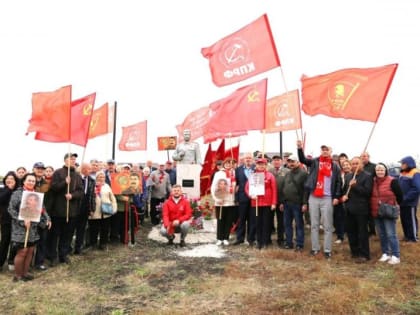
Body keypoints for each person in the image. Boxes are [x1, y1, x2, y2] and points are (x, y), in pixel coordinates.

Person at [297, 141, 342, 259]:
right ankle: (315, 248)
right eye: (323, 149)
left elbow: (338, 182)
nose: (325, 151)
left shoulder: (335, 166)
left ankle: (327, 250)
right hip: (314, 197)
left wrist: (336, 196)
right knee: (314, 225)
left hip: (327, 198)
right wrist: (299, 148)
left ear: (331, 151)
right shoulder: (315, 162)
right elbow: (302, 160)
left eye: (327, 149)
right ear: (320, 151)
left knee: (327, 225)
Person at [8, 173, 51, 281]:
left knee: (30, 250)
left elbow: (42, 208)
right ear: (24, 181)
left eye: (33, 181)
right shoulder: (17, 193)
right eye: (29, 180)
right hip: (20, 227)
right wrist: (22, 220)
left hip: (33, 227)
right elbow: (11, 210)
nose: (31, 182)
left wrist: (48, 219)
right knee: (22, 251)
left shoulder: (37, 194)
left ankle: (25, 273)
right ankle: (18, 275)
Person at [47, 153, 84, 265]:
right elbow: (53, 187)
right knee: (54, 235)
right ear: (65, 160)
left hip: (72, 211)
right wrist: (64, 183)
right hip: (58, 211)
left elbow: (81, 191)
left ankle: (63, 255)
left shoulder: (78, 175)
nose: (73, 160)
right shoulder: (58, 172)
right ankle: (53, 257)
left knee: (67, 235)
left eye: (74, 159)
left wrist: (72, 196)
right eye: (71, 158)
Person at [370, 163, 403, 265]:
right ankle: (386, 253)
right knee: (382, 234)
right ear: (375, 171)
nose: (380, 172)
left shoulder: (392, 181)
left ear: (385, 171)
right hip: (376, 211)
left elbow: (400, 196)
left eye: (382, 170)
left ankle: (396, 255)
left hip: (388, 211)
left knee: (391, 234)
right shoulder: (373, 181)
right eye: (378, 170)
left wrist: (394, 205)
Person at [342, 157, 373, 263]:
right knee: (351, 231)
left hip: (361, 209)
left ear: (362, 164)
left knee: (362, 232)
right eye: (353, 163)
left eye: (357, 163)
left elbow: (367, 192)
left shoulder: (367, 176)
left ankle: (364, 254)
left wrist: (355, 186)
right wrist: (343, 197)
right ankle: (354, 252)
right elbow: (345, 191)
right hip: (349, 208)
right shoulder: (348, 176)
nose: (355, 165)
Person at [245, 158, 277, 249]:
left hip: (267, 203)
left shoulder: (270, 176)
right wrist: (251, 195)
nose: (261, 166)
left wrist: (274, 202)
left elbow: (274, 190)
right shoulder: (253, 176)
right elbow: (246, 188)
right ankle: (259, 241)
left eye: (263, 164)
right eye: (259, 164)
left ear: (266, 165)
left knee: (266, 223)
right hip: (256, 203)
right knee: (257, 223)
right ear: (256, 165)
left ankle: (266, 241)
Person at [279, 155, 308, 251]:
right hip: (287, 203)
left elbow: (305, 190)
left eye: (293, 161)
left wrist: (304, 203)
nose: (291, 163)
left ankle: (299, 244)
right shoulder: (287, 174)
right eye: (289, 161)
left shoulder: (304, 174)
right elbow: (284, 188)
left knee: (299, 225)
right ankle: (289, 243)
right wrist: (282, 202)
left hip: (297, 204)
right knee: (287, 224)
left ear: (298, 163)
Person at [211, 158, 237, 246]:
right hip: (220, 201)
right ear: (224, 164)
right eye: (227, 163)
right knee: (220, 219)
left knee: (228, 221)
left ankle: (226, 237)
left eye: (231, 163)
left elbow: (234, 186)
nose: (229, 165)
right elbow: (213, 186)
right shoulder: (219, 173)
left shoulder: (234, 173)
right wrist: (216, 199)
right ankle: (219, 238)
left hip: (230, 201)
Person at [88, 171, 117, 250]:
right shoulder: (92, 185)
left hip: (106, 211)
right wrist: (89, 209)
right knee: (94, 229)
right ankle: (93, 244)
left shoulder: (107, 186)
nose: (101, 178)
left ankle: (103, 244)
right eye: (99, 177)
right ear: (96, 177)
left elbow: (112, 198)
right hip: (95, 211)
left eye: (103, 177)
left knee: (105, 229)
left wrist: (114, 208)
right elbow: (88, 198)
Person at [33, 162, 53, 271]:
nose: (40, 170)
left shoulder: (46, 184)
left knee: (42, 240)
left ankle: (39, 263)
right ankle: (26, 263)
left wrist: (47, 216)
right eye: (38, 168)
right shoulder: (29, 180)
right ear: (34, 169)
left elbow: (49, 201)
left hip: (43, 214)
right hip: (31, 214)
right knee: (31, 242)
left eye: (42, 169)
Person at [73, 162, 96, 254]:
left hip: (85, 208)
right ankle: (68, 249)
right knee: (71, 229)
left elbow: (92, 195)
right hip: (75, 208)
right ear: (84, 169)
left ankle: (78, 248)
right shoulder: (76, 178)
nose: (91, 171)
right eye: (89, 169)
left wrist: (92, 208)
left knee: (81, 229)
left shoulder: (91, 180)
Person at [234, 153, 256, 246]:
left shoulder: (256, 169)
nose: (248, 159)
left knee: (252, 220)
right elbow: (236, 185)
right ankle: (240, 238)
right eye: (246, 158)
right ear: (243, 159)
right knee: (241, 219)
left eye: (250, 158)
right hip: (242, 197)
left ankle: (251, 239)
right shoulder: (238, 170)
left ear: (252, 159)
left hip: (253, 198)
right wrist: (236, 198)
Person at [398, 156, 420, 242]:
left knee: (411, 219)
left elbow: (417, 188)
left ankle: (413, 237)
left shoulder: (415, 173)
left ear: (408, 164)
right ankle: (407, 235)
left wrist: (406, 197)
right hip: (402, 201)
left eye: (403, 163)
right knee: (404, 219)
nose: (401, 165)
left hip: (410, 202)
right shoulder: (403, 173)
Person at [269, 155, 289, 247]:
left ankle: (281, 239)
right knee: (269, 220)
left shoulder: (287, 171)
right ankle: (267, 238)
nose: (276, 162)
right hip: (270, 200)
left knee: (281, 221)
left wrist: (284, 200)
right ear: (272, 162)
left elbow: (288, 187)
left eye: (278, 160)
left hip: (281, 200)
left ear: (281, 161)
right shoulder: (269, 171)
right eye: (275, 160)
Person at [0, 171, 18, 271]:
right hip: (5, 220)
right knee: (4, 241)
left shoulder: (18, 191)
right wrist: (9, 189)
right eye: (8, 178)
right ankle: (0, 262)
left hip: (16, 220)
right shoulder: (2, 189)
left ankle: (12, 261)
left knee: (14, 242)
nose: (9, 180)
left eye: (12, 178)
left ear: (16, 181)